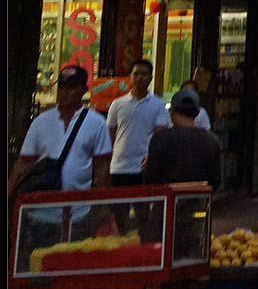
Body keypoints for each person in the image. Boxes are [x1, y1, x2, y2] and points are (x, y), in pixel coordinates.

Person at [8, 65, 112, 199]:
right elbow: (23, 163)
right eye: (62, 86)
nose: (65, 91)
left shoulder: (97, 123)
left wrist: (102, 205)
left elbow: (102, 169)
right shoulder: (41, 122)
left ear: (83, 90)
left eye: (72, 87)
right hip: (40, 205)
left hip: (78, 207)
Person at [106, 59, 171, 186]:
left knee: (143, 204)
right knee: (119, 204)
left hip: (144, 166)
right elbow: (111, 132)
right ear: (130, 77)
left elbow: (159, 134)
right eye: (136, 74)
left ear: (150, 78)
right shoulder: (118, 104)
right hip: (119, 166)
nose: (140, 78)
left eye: (144, 74)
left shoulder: (158, 105)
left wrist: (151, 155)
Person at [144, 87, 222, 189]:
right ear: (198, 113)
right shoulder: (212, 140)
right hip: (200, 200)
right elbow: (215, 180)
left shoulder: (160, 138)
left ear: (172, 112)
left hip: (167, 200)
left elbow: (151, 178)